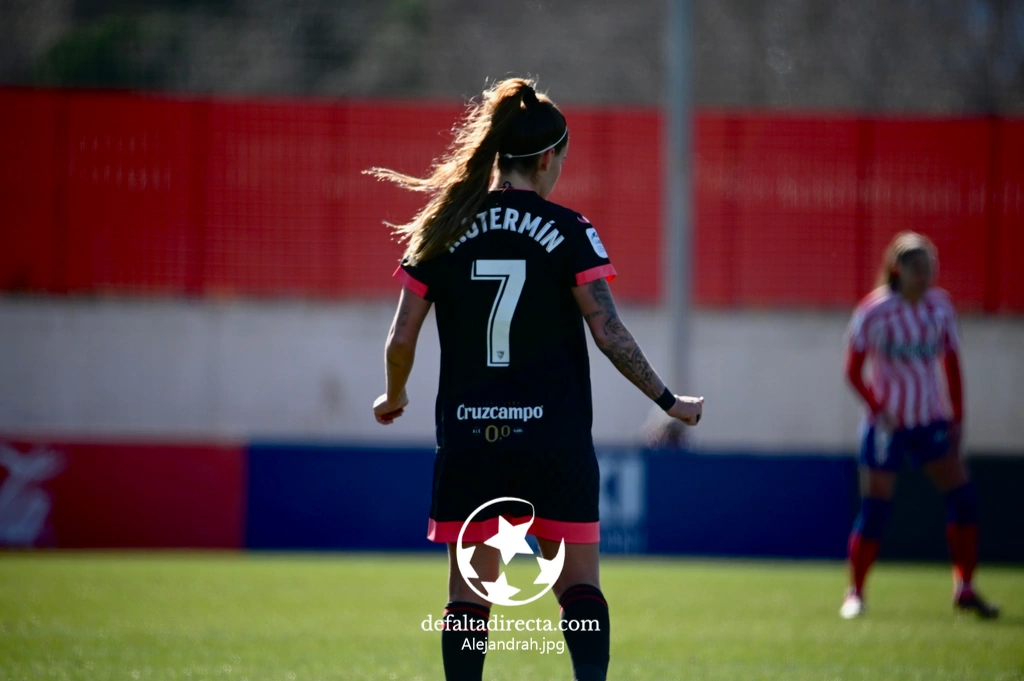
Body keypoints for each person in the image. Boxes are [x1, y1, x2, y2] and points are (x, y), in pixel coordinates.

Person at [367, 77, 703, 681]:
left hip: (472, 442)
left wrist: (394, 396)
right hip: (555, 442)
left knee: (470, 594)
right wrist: (668, 400)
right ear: (546, 158)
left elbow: (400, 340)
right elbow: (609, 332)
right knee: (577, 586)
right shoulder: (570, 230)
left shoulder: (440, 228)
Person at [840, 231, 998, 620]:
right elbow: (853, 371)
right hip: (888, 426)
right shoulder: (875, 312)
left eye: (931, 268)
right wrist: (880, 407)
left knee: (963, 498)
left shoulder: (940, 309)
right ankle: (855, 593)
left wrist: (957, 416)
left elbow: (952, 364)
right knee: (876, 507)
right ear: (898, 269)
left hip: (930, 421)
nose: (926, 276)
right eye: (918, 268)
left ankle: (965, 586)